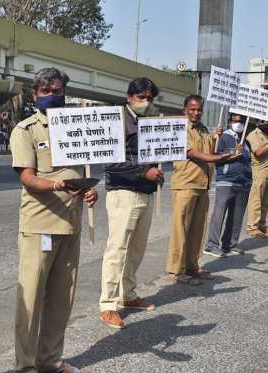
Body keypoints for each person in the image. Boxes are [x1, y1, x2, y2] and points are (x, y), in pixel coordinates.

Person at [9, 67, 97, 373]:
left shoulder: (77, 127)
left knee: (62, 299)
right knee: (31, 301)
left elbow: (80, 174)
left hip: (70, 224)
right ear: (35, 96)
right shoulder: (26, 130)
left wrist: (87, 192)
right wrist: (60, 185)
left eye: (57, 91)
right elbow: (28, 178)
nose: (51, 96)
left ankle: (50, 360)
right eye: (45, 92)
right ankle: (26, 366)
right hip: (40, 226)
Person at [98, 77, 162, 329]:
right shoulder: (117, 121)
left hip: (145, 192)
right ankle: (108, 305)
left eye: (150, 99)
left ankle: (129, 295)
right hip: (123, 192)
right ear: (130, 97)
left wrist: (154, 172)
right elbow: (112, 163)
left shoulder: (148, 121)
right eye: (142, 98)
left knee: (136, 248)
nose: (146, 103)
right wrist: (143, 171)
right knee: (117, 249)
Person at [164, 95, 232, 285]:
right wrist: (220, 158)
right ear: (184, 109)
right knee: (181, 229)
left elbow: (209, 149)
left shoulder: (203, 129)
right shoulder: (180, 128)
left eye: (199, 109)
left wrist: (215, 137)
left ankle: (192, 266)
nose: (196, 113)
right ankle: (177, 270)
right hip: (185, 183)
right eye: (192, 109)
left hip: (202, 183)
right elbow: (194, 153)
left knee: (197, 229)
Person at [204, 114, 252, 257]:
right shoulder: (223, 137)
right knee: (219, 214)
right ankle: (211, 245)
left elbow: (249, 159)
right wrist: (233, 152)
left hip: (243, 182)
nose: (239, 124)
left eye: (242, 121)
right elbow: (215, 155)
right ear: (230, 122)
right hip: (226, 180)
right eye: (236, 121)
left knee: (236, 216)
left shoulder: (246, 141)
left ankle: (230, 244)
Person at [245, 118, 268, 238]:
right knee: (256, 201)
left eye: (267, 121)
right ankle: (253, 227)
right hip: (259, 173)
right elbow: (259, 152)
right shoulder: (253, 135)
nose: (265, 123)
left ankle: (261, 225)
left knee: (265, 202)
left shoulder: (267, 134)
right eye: (262, 121)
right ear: (257, 123)